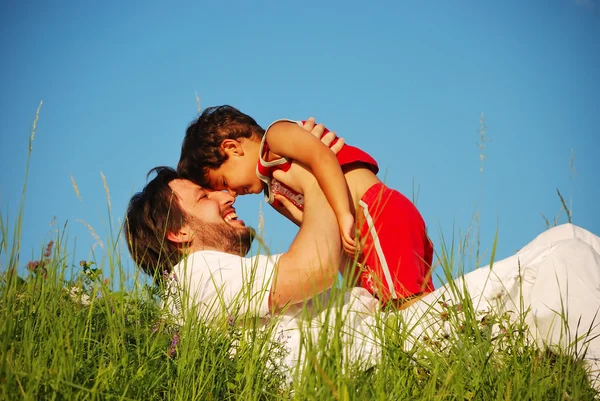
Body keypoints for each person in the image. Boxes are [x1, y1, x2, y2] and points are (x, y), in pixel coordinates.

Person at [125, 156, 600, 389]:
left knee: (569, 238)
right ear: (177, 235)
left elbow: (337, 285)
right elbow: (311, 269)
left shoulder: (227, 284)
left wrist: (316, 214)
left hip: (386, 337)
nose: (227, 197)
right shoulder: (194, 276)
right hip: (391, 347)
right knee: (567, 261)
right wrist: (315, 174)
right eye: (205, 199)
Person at [176, 105, 434, 305]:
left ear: (232, 148)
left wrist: (345, 214)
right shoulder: (274, 191)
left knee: (405, 310)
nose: (231, 194)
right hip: (360, 238)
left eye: (224, 181)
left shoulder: (276, 138)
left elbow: (321, 156)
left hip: (374, 211)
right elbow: (318, 230)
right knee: (399, 307)